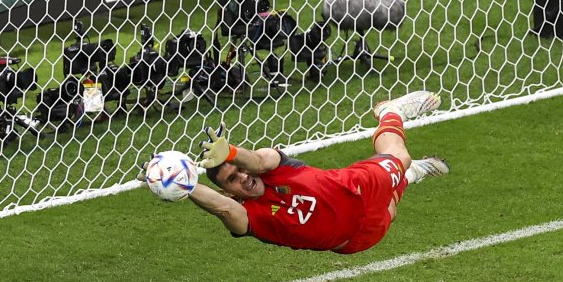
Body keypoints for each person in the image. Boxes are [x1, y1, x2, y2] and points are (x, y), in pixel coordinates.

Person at [142, 90, 449, 254]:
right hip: (351, 241)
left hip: (357, 186)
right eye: (233, 179)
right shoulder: (248, 217)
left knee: (399, 156)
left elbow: (257, 162)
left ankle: (389, 112)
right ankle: (409, 176)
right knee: (390, 210)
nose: (244, 176)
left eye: (239, 170)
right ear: (228, 191)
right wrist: (184, 185)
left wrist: (232, 152)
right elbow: (222, 208)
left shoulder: (272, 165)